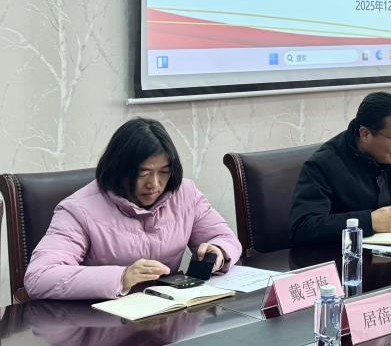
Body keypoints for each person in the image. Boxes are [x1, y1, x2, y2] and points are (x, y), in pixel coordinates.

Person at [23, 118, 241, 301]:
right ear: (118, 169)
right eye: (143, 173)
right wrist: (122, 277)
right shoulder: (79, 210)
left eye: (164, 172)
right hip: (103, 323)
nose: (154, 184)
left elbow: (224, 238)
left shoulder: (185, 194)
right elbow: (39, 276)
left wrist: (218, 252)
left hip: (168, 314)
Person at [290, 91, 391, 247]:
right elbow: (303, 227)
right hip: (345, 256)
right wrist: (369, 222)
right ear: (365, 134)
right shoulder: (323, 164)